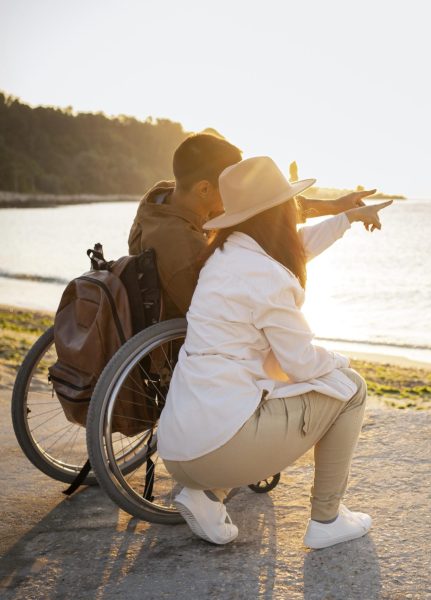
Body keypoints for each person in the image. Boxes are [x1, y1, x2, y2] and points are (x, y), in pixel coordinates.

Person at [158, 156, 393, 548]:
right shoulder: (265, 274)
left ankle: (205, 495)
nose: (295, 209)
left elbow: (295, 247)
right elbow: (300, 363)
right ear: (278, 210)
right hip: (218, 448)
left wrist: (347, 218)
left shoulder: (226, 254)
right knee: (351, 389)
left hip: (180, 450)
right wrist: (340, 363)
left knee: (250, 394)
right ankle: (327, 519)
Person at [128, 133, 375, 318]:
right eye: (233, 186)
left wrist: (335, 206)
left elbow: (266, 209)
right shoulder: (181, 247)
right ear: (204, 188)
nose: (242, 193)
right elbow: (215, 317)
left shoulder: (171, 198)